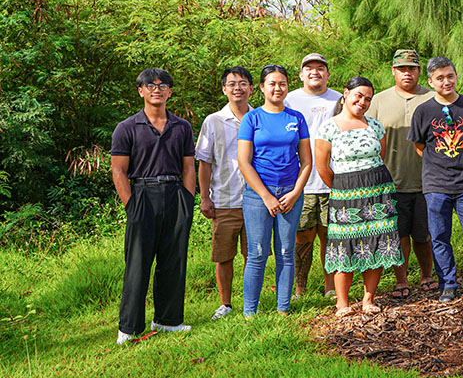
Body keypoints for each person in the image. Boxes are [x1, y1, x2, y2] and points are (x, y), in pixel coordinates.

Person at [110, 68, 196, 344]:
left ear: (170, 91)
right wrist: (131, 205)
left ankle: (168, 320)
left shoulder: (182, 127)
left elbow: (188, 167)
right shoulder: (126, 128)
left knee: (173, 260)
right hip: (142, 195)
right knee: (138, 263)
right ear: (141, 91)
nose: (156, 89)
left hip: (175, 195)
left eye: (163, 85)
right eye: (150, 85)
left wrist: (188, 199)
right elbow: (118, 171)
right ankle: (129, 327)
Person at [408, 56, 463, 303]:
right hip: (435, 186)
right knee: (439, 237)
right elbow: (419, 146)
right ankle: (447, 284)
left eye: (450, 76)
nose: (446, 82)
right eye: (440, 78)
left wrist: (461, 158)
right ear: (430, 81)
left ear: (456, 76)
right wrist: (441, 163)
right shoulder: (423, 111)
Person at [315, 77, 404, 316]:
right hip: (345, 194)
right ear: (345, 94)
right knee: (345, 246)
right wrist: (343, 188)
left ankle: (368, 299)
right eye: (358, 96)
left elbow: (380, 157)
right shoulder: (329, 127)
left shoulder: (375, 126)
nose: (362, 102)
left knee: (377, 243)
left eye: (368, 99)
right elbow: (322, 167)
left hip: (378, 192)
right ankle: (342, 303)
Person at [237, 64, 313, 316]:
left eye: (282, 83)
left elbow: (307, 162)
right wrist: (267, 196)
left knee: (285, 252)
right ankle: (250, 312)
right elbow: (244, 162)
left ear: (287, 87)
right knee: (257, 253)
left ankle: (283, 309)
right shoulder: (252, 118)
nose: (277, 88)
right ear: (261, 88)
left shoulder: (296, 118)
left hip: (291, 193)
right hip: (258, 195)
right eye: (272, 83)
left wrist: (294, 193)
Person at [368, 49, 437, 297]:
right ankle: (401, 279)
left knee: (424, 234)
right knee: (398, 235)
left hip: (427, 180)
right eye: (402, 69)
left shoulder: (433, 98)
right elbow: (368, 136)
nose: (407, 73)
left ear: (420, 72)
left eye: (412, 68)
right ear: (394, 71)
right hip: (390, 181)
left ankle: (427, 275)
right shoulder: (378, 100)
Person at [195, 66, 253, 320]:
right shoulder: (213, 121)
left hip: (255, 199)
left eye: (242, 83)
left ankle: (253, 302)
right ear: (224, 89)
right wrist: (204, 197)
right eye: (232, 84)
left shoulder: (260, 117)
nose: (237, 88)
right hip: (224, 199)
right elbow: (205, 162)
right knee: (224, 255)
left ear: (252, 88)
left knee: (255, 254)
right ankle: (226, 304)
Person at [284, 53, 342, 300]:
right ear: (301, 75)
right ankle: (300, 289)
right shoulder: (289, 100)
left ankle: (331, 288)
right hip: (301, 182)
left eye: (320, 68)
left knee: (331, 236)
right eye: (309, 69)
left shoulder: (340, 98)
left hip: (333, 179)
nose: (315, 72)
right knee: (303, 236)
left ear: (328, 74)